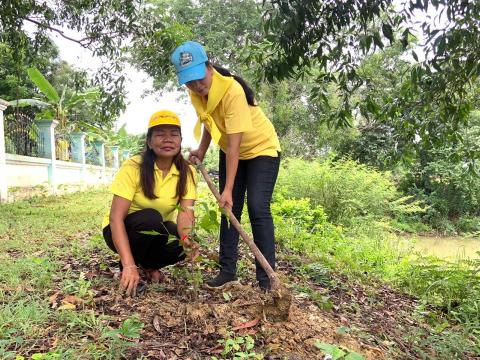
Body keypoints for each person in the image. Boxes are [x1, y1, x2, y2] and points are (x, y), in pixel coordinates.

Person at [170, 41, 281, 291]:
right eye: (190, 82)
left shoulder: (232, 91)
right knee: (229, 212)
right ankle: (228, 271)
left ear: (209, 66)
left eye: (200, 78)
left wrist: (228, 189)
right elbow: (209, 121)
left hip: (260, 149)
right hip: (230, 150)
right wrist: (201, 148)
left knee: (256, 207)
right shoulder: (195, 92)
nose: (197, 86)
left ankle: (266, 280)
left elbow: (235, 145)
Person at [102, 110, 198, 296]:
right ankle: (128, 267)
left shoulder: (187, 172)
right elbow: (115, 219)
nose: (168, 139)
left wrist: (188, 242)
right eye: (160, 134)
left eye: (174, 134)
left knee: (180, 240)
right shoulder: (134, 166)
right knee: (151, 218)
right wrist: (129, 265)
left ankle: (148, 266)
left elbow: (185, 215)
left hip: (157, 232)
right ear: (149, 141)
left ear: (180, 140)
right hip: (121, 231)